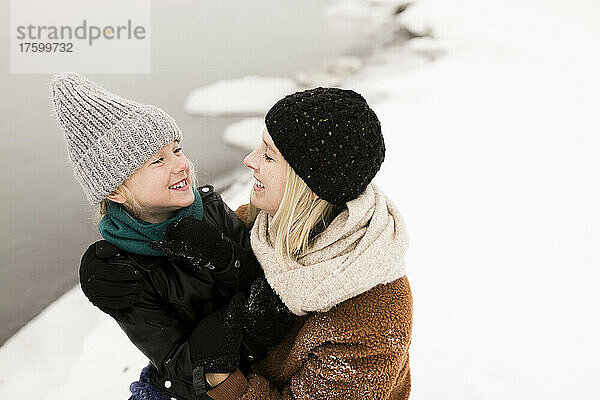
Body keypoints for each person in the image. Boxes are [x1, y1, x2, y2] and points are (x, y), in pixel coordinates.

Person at [52, 73, 295, 400]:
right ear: (117, 192)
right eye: (158, 160)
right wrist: (214, 343)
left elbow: (264, 279)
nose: (180, 165)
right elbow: (173, 362)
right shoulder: (124, 273)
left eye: (177, 150)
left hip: (268, 344)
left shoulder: (208, 208)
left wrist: (224, 258)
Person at [198, 87, 413, 399]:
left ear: (312, 186)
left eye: (268, 155)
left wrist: (221, 378)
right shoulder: (263, 224)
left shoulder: (372, 317)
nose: (249, 160)